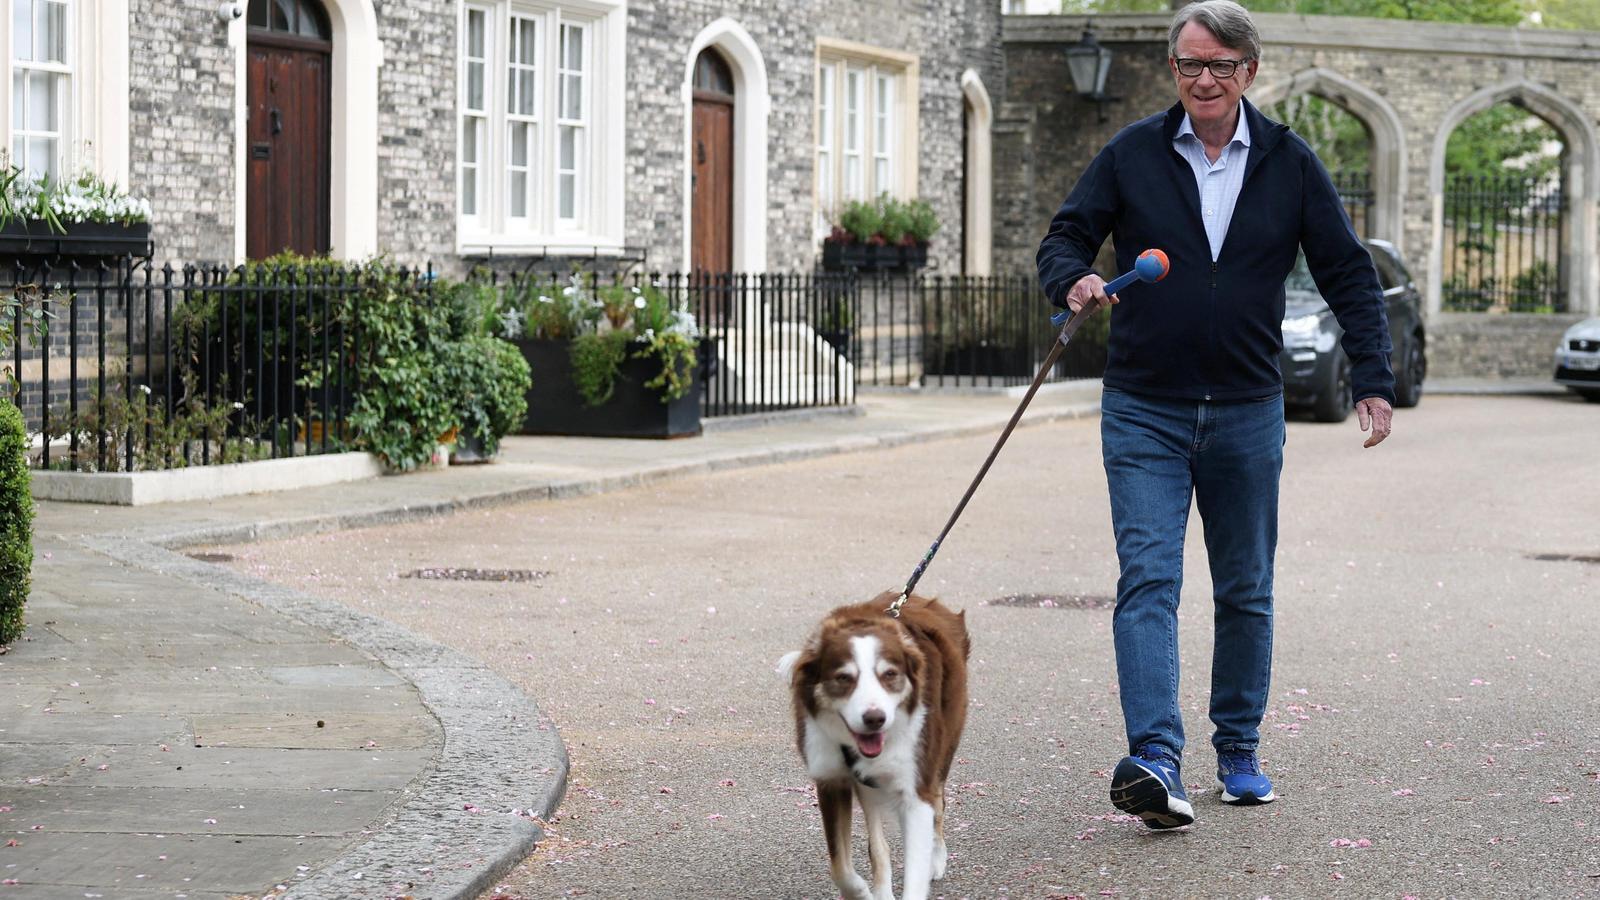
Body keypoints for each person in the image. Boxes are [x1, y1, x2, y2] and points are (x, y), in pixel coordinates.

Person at [1036, 0, 1394, 830]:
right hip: (1143, 410)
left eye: (1221, 66)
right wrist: (1074, 281)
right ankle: (1157, 760)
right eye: (1190, 64)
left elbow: (1347, 273)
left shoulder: (1290, 162)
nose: (1204, 79)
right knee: (1149, 581)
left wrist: (1373, 379)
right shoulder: (1131, 153)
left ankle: (1238, 747)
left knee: (1245, 588)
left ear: (1249, 73)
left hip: (1245, 409)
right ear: (1174, 70)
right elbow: (1065, 237)